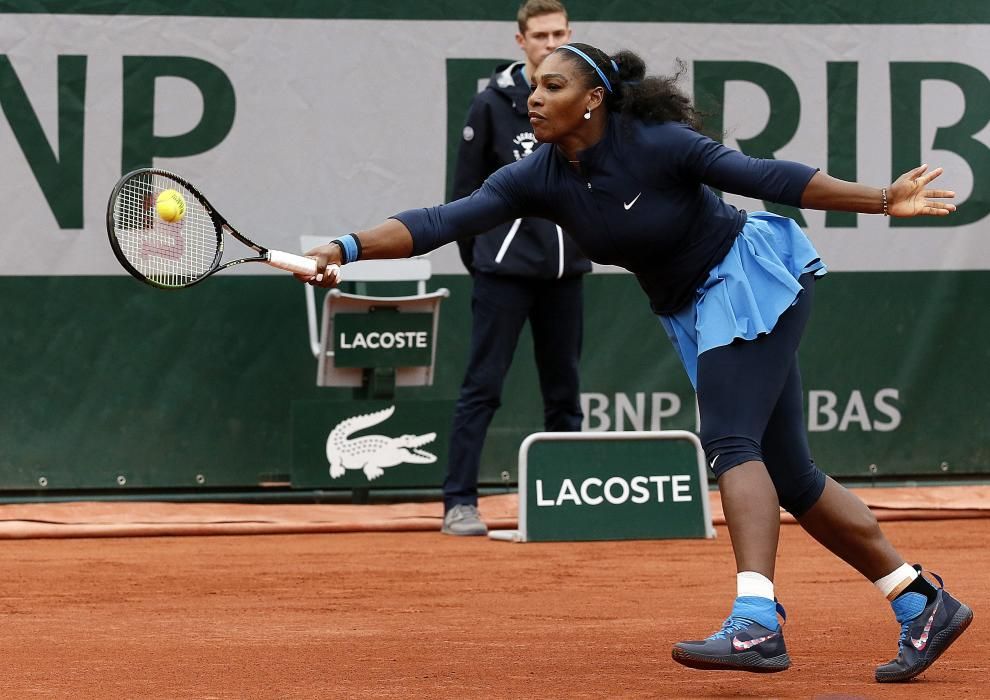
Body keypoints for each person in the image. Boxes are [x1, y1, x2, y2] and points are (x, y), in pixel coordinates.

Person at [301, 43, 973, 681]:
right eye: (534, 85)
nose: (535, 96)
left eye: (554, 86)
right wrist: (346, 246)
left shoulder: (658, 144)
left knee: (732, 442)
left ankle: (756, 621)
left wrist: (883, 198)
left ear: (593, 98)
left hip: (747, 278)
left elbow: (770, 177)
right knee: (793, 476)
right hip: (688, 304)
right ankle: (920, 602)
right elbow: (441, 219)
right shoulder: (537, 174)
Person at [441, 0, 590, 536]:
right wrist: (483, 259)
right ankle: (459, 502)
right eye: (540, 35)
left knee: (564, 393)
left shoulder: (586, 104)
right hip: (502, 273)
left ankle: (573, 501)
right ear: (521, 41)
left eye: (559, 34)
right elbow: (463, 196)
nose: (551, 43)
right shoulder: (491, 104)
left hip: (565, 273)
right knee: (482, 387)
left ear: (570, 35)